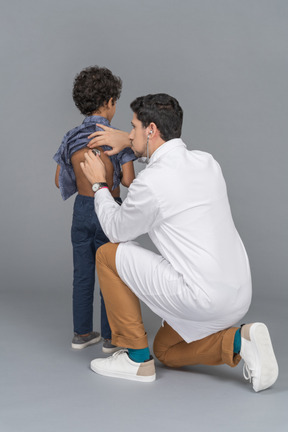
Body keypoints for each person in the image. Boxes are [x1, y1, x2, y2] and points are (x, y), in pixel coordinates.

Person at [80, 93, 278, 391]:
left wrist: (99, 185)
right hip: (238, 297)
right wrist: (130, 140)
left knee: (108, 254)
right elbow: (156, 148)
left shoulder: (152, 182)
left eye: (133, 127)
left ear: (151, 130)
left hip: (202, 299)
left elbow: (117, 230)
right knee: (166, 351)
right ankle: (240, 340)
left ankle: (135, 360)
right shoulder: (207, 162)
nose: (129, 133)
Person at [53, 66, 137, 352]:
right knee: (110, 273)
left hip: (81, 211)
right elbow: (128, 181)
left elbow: (59, 180)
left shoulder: (70, 138)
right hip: (108, 209)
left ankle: (82, 333)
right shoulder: (117, 137)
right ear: (110, 102)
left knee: (83, 273)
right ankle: (111, 338)